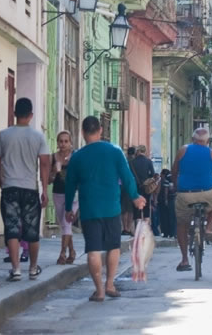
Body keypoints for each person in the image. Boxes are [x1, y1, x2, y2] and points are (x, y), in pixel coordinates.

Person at [64, 116, 145, 301]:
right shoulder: (115, 151)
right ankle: (110, 283)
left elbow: (70, 185)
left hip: (89, 209)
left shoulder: (77, 157)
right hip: (112, 208)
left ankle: (99, 290)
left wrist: (69, 207)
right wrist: (135, 197)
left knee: (93, 250)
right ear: (100, 130)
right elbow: (127, 177)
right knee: (113, 247)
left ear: (83, 132)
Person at [0, 97, 51, 282]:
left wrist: (1, 179)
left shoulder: (3, 135)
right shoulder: (38, 137)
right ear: (31, 115)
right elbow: (44, 163)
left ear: (14, 113)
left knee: (11, 228)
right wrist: (44, 190)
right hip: (29, 188)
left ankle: (16, 269)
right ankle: (33, 268)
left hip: (10, 187)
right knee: (31, 231)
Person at [171, 127, 212, 272]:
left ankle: (184, 259)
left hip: (185, 194)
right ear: (207, 141)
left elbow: (174, 171)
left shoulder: (183, 150)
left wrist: (176, 186)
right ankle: (208, 228)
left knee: (182, 224)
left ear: (193, 139)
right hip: (207, 193)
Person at [51, 130, 78, 265]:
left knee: (67, 222)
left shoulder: (75, 157)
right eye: (60, 141)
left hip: (73, 195)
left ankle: (62, 253)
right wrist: (55, 172)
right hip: (58, 193)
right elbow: (49, 179)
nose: (63, 144)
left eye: (66, 141)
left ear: (70, 143)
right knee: (64, 224)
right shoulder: (53, 157)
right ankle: (72, 251)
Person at [131, 145, 156, 223]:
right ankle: (145, 228)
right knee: (146, 207)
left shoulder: (132, 162)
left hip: (135, 187)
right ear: (145, 151)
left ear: (137, 151)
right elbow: (153, 175)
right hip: (146, 188)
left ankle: (137, 228)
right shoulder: (148, 161)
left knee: (136, 208)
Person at [157, 169, 176, 238]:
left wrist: (165, 200)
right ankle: (173, 233)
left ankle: (167, 233)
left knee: (167, 217)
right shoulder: (179, 176)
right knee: (174, 217)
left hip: (169, 199)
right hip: (177, 199)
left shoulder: (168, 178)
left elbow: (166, 190)